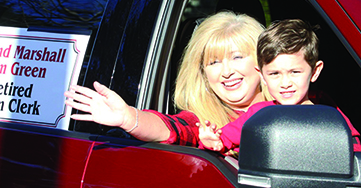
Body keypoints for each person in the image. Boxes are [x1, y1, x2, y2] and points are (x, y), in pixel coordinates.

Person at [64, 11, 267, 146]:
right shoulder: (204, 123)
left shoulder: (292, 103)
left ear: (263, 60)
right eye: (213, 62)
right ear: (203, 74)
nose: (226, 72)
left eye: (237, 57)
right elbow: (174, 128)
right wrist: (130, 118)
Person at [198, 19, 361, 154]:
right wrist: (211, 142)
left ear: (315, 72)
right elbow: (225, 138)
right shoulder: (260, 114)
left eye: (295, 72)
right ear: (262, 75)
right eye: (274, 74)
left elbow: (353, 150)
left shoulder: (327, 110)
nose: (285, 83)